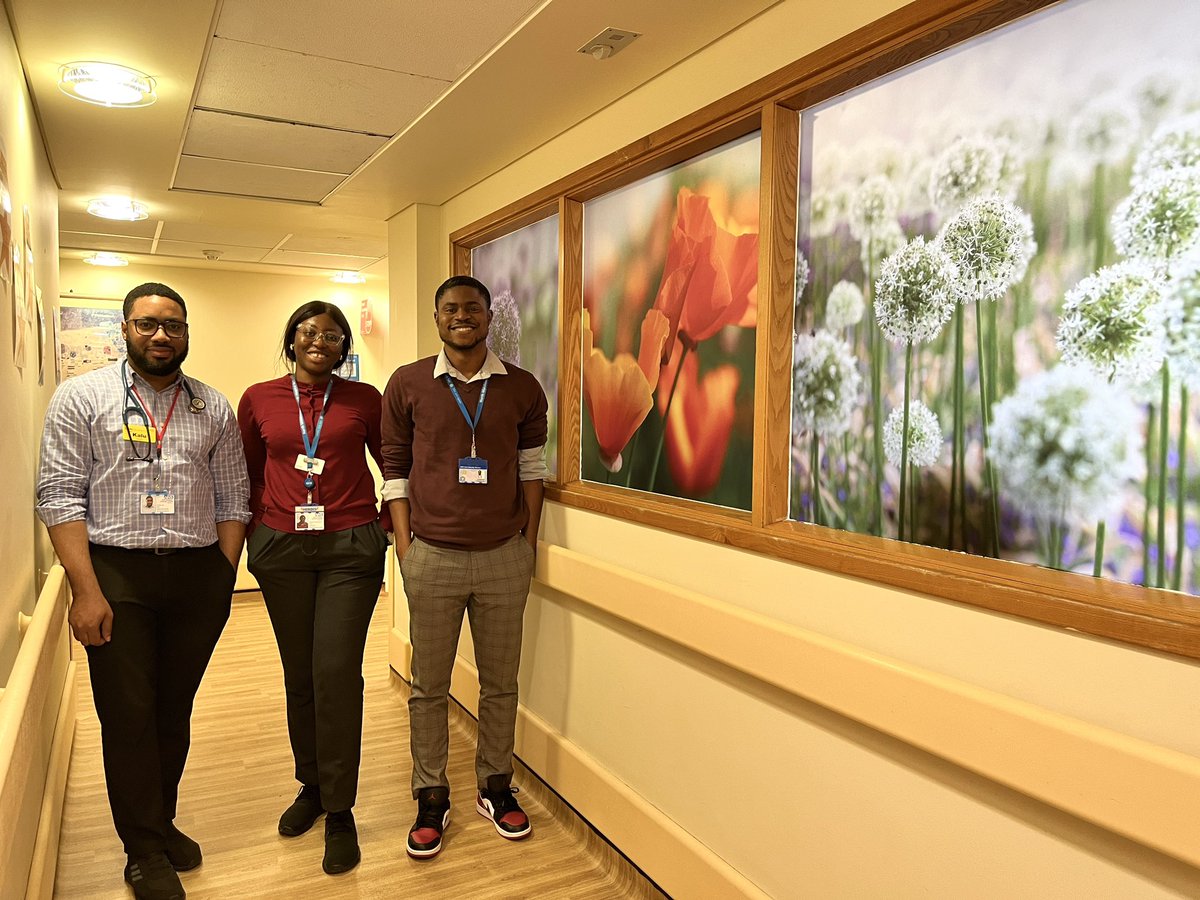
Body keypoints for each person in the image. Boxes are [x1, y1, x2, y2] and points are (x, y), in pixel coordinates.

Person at [36, 282, 249, 900]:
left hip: (194, 575)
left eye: (173, 325)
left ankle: (159, 822)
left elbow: (234, 495)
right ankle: (142, 850)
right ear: (124, 329)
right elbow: (58, 495)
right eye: (147, 324)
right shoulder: (82, 397)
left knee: (172, 711)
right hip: (114, 574)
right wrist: (85, 589)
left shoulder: (212, 407)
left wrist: (221, 574)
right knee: (128, 715)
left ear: (186, 333)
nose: (161, 335)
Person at [382, 274, 548, 860]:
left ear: (487, 317)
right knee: (429, 687)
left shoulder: (522, 387)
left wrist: (527, 541)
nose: (462, 317)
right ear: (437, 319)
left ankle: (495, 786)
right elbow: (395, 469)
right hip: (432, 555)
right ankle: (431, 796)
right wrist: (405, 548)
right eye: (451, 308)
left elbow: (532, 471)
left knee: (501, 684)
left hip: (504, 557)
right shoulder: (407, 384)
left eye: (472, 308)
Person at [237, 301, 390, 876]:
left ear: (344, 345)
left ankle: (341, 808)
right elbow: (246, 471)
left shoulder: (364, 400)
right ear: (291, 341)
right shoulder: (258, 398)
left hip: (351, 547)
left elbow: (391, 461)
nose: (319, 341)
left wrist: (384, 525)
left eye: (332, 335)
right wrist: (257, 530)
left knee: (335, 672)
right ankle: (311, 787)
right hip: (282, 546)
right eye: (308, 332)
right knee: (299, 673)